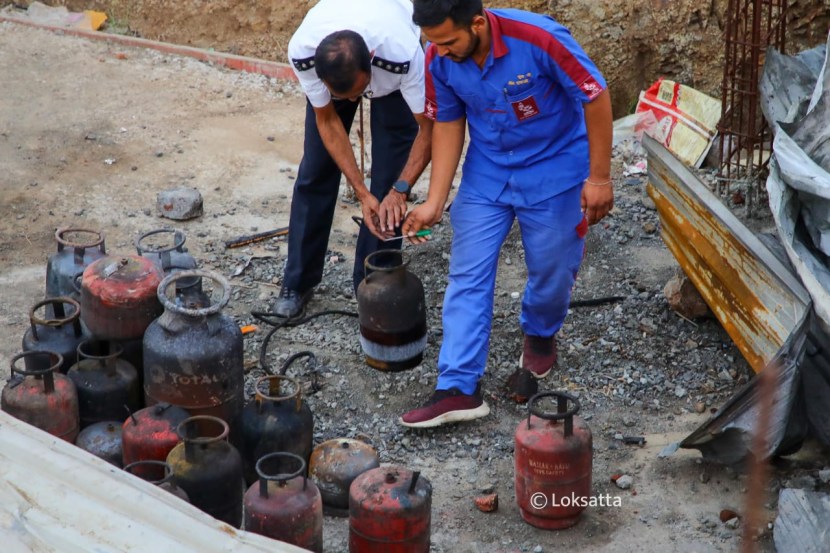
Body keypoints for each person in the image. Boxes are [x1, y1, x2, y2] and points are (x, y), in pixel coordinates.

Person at [400, 0, 614, 428]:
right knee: (467, 273)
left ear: (477, 23)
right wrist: (435, 201)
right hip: (489, 173)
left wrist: (600, 178)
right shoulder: (437, 56)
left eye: (447, 41)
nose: (439, 51)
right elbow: (447, 123)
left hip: (555, 169)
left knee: (552, 270)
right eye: (432, 43)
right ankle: (458, 387)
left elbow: (595, 94)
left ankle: (539, 333)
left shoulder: (538, 38)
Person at [276, 0, 433, 318]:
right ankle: (297, 282)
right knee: (316, 169)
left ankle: (375, 284)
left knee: (390, 179)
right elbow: (327, 120)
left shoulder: (402, 54)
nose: (352, 101)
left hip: (393, 69)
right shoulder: (303, 52)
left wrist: (398, 189)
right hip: (343, 59)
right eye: (342, 96)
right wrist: (361, 191)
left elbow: (428, 130)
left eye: (358, 92)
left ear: (371, 62)